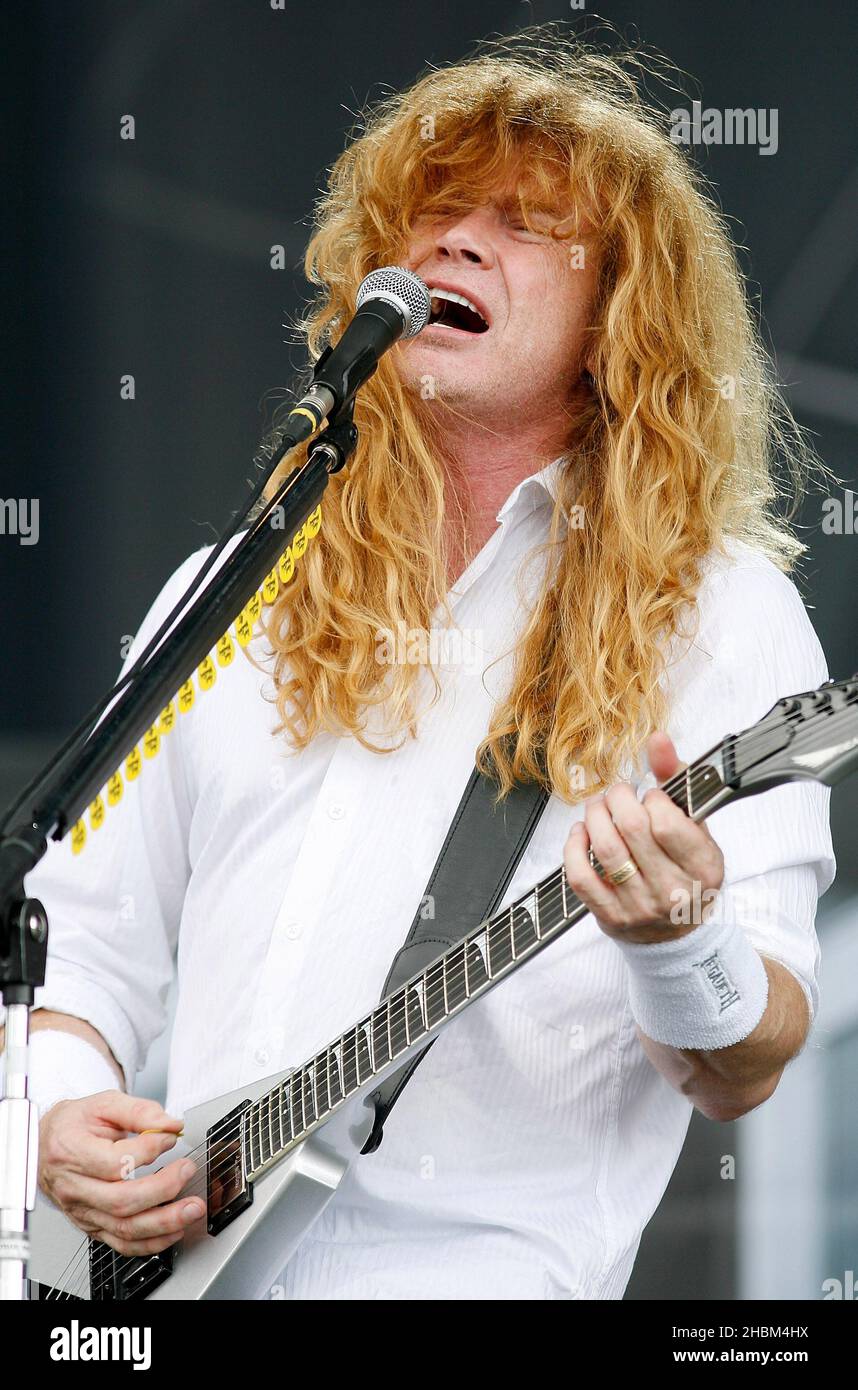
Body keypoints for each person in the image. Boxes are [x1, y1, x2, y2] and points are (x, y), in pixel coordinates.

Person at [1, 34, 835, 1300]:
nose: (453, 241)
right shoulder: (233, 590)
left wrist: (676, 936)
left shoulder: (718, 614)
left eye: (524, 222)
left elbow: (751, 1059)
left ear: (620, 316)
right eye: (431, 214)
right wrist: (59, 1115)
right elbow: (81, 945)